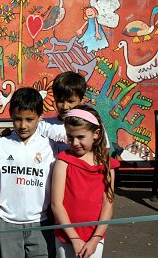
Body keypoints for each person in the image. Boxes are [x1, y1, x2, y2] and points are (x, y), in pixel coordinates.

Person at [0, 87, 57, 258]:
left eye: (29, 119)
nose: (23, 125)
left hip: (41, 224)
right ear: (11, 115)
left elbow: (55, 183)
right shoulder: (2, 144)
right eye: (18, 119)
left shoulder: (49, 146)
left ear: (40, 117)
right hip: (7, 225)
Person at [51, 105, 120, 258]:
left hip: (94, 238)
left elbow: (108, 205)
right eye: (70, 137)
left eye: (81, 137)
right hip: (66, 237)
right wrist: (74, 238)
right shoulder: (64, 161)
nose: (74, 142)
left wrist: (95, 240)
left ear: (96, 134)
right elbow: (56, 204)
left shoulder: (107, 164)